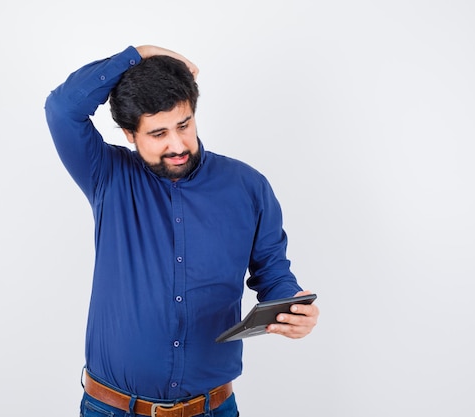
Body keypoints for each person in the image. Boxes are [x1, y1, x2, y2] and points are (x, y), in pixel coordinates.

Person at [44, 45, 319, 417]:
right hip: (112, 409)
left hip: (213, 408)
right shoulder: (107, 175)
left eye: (184, 125)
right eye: (158, 133)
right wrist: (136, 54)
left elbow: (273, 274)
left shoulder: (248, 187)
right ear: (130, 134)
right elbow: (62, 109)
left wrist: (292, 310)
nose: (177, 145)